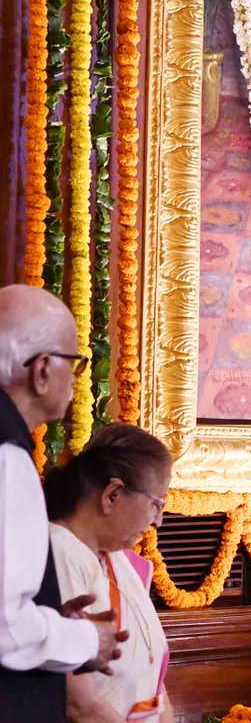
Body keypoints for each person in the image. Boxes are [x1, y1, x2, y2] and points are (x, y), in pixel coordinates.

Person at [0, 284, 125, 722]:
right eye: (74, 363)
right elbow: (4, 628)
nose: (77, 378)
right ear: (41, 370)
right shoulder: (7, 459)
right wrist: (86, 640)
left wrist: (53, 622)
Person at [45, 424, 174, 723]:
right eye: (156, 504)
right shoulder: (59, 552)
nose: (159, 521)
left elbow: (154, 683)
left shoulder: (119, 559)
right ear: (112, 494)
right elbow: (78, 704)